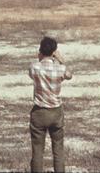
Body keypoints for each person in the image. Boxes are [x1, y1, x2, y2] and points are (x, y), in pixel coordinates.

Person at [28, 36, 73, 172]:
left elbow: (32, 73)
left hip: (39, 111)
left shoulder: (34, 67)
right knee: (58, 150)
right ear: (54, 51)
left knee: (37, 151)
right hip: (56, 112)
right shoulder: (60, 69)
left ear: (41, 50)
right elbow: (69, 75)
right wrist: (61, 60)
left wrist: (40, 58)